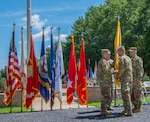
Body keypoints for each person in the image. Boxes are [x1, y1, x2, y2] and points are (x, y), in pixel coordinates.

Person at [116, 46, 133, 116]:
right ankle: (126, 109)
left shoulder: (122, 58)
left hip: (124, 79)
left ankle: (129, 111)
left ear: (122, 51)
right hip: (129, 78)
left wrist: (118, 76)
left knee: (126, 94)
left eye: (118, 52)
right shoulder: (128, 58)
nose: (117, 53)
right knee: (126, 94)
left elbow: (122, 69)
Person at [97, 49, 112, 116]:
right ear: (103, 54)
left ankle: (105, 109)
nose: (109, 55)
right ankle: (103, 110)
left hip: (106, 81)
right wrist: (115, 71)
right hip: (104, 81)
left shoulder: (105, 61)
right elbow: (106, 70)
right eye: (107, 54)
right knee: (105, 96)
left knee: (106, 95)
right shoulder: (103, 61)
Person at [129, 47, 144, 113]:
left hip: (136, 80)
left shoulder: (138, 59)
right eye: (130, 52)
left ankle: (139, 107)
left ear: (135, 52)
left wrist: (139, 78)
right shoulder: (130, 59)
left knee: (137, 94)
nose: (130, 53)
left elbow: (140, 69)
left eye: (131, 51)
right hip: (131, 80)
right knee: (132, 95)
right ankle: (135, 106)